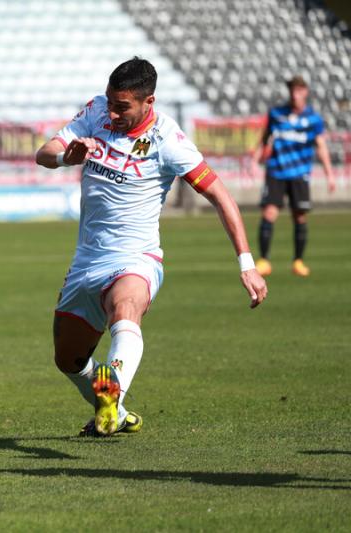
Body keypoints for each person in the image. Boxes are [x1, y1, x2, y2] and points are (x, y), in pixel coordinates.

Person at [36, 57, 267, 437]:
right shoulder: (96, 111)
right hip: (87, 261)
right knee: (69, 360)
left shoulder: (168, 141)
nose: (113, 111)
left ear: (149, 102)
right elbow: (43, 153)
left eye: (122, 106)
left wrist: (247, 263)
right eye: (111, 101)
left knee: (125, 308)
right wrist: (65, 157)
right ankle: (116, 409)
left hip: (135, 258)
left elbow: (220, 196)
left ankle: (113, 392)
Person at [253, 75, 336, 277]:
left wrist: (329, 174)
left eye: (298, 90)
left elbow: (321, 146)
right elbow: (265, 138)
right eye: (291, 90)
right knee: (269, 214)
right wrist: (255, 159)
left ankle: (298, 261)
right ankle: (264, 260)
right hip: (276, 172)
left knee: (299, 216)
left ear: (305, 92)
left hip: (300, 174)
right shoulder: (277, 114)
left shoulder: (313, 119)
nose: (294, 94)